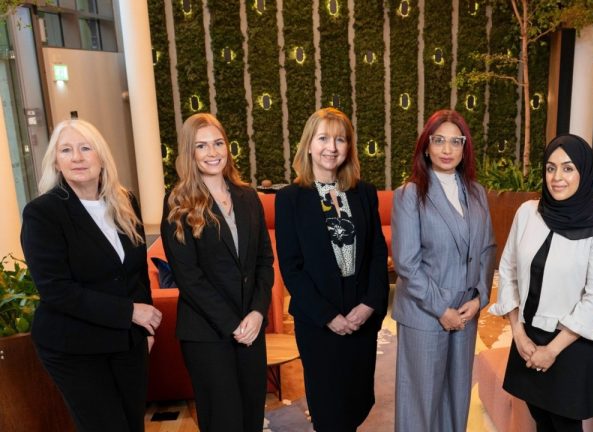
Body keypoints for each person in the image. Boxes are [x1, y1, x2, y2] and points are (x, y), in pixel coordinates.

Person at [20, 119, 161, 432]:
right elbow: (56, 290)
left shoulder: (125, 201)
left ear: (101, 157)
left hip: (127, 340)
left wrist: (146, 328)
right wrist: (131, 312)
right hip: (73, 344)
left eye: (85, 148)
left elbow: (135, 271)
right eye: (66, 150)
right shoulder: (42, 213)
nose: (77, 157)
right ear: (56, 161)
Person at [489, 134, 593, 432]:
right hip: (529, 337)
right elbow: (507, 270)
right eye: (550, 168)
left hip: (571, 344)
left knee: (564, 426)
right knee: (541, 421)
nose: (557, 177)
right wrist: (518, 334)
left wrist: (552, 350)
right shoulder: (527, 213)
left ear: (584, 173)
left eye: (568, 168)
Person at [274, 107, 389, 432]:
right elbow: (292, 268)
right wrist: (328, 316)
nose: (332, 147)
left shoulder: (363, 193)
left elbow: (377, 254)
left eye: (340, 139)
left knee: (357, 402)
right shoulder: (290, 200)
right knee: (329, 411)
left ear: (348, 147)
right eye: (323, 138)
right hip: (318, 323)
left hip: (361, 318)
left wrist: (369, 305)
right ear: (308, 144)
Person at [161, 113, 274, 432]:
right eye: (201, 146)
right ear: (189, 153)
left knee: (252, 416)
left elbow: (264, 261)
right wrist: (233, 324)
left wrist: (256, 312)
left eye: (218, 143)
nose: (212, 152)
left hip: (250, 329)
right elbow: (188, 278)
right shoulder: (178, 203)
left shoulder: (248, 196)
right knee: (224, 421)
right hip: (207, 334)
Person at [391, 109, 496, 431]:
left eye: (455, 142)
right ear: (426, 146)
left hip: (466, 310)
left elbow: (487, 247)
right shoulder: (410, 195)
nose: (447, 150)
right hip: (426, 312)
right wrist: (442, 310)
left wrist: (479, 297)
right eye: (439, 141)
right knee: (421, 401)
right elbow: (407, 263)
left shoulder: (476, 192)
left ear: (465, 148)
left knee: (457, 395)